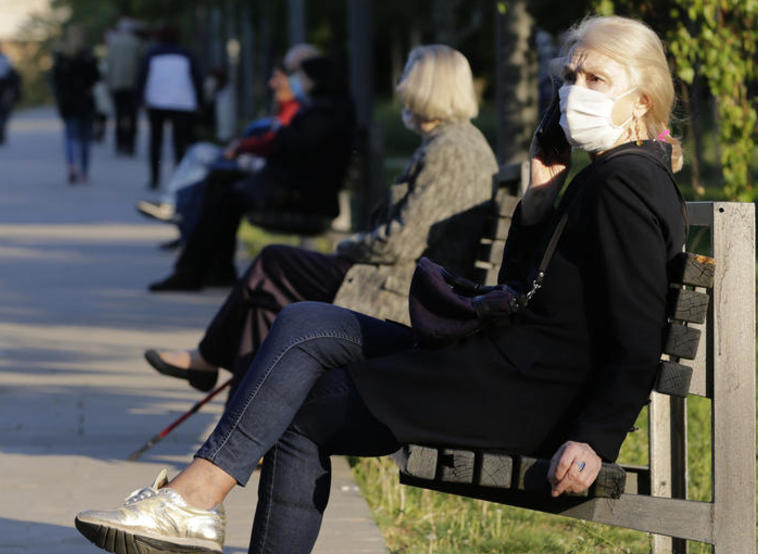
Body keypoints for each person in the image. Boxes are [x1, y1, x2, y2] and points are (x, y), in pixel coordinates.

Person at [75, 15, 687, 554]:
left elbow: (639, 330)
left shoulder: (626, 184)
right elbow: (523, 287)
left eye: (596, 77)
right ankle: (207, 527)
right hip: (502, 366)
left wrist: (596, 437)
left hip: (522, 394)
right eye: (570, 76)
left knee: (301, 408)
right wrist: (540, 193)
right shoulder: (608, 174)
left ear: (641, 99)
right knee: (306, 321)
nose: (575, 91)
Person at [143, 45, 497, 398]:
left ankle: (207, 360)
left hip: (400, 288)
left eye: (408, 78)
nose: (402, 87)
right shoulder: (451, 143)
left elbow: (399, 242)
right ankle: (248, 442)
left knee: (271, 263)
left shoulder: (450, 150)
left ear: (427, 86)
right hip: (406, 279)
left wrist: (346, 244)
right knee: (263, 306)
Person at [147, 55, 355, 292]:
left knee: (224, 193)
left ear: (318, 80)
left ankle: (191, 271)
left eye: (304, 77)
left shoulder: (324, 113)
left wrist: (278, 133)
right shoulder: (326, 109)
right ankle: (214, 270)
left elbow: (294, 145)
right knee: (220, 180)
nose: (300, 82)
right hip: (296, 187)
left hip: (301, 195)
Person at [135, 44, 320, 248]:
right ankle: (183, 223)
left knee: (209, 172)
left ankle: (180, 218)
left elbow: (276, 141)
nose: (273, 83)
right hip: (268, 165)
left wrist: (242, 147)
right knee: (201, 159)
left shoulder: (305, 110)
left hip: (273, 172)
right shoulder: (296, 107)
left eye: (288, 74)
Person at [138, 24, 204, 189]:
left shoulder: (152, 54)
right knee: (179, 142)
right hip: (182, 102)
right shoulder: (186, 54)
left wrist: (140, 99)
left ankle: (154, 178)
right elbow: (197, 79)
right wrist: (200, 101)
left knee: (155, 141)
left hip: (156, 101)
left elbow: (141, 78)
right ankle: (179, 177)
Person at [51, 26, 100, 184]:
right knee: (85, 138)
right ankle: (84, 171)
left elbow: (55, 81)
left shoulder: (61, 56)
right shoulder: (88, 55)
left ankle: (72, 166)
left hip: (68, 102)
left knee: (70, 137)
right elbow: (96, 77)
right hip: (85, 101)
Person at [105, 17, 143, 155]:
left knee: (119, 115)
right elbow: (140, 64)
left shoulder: (113, 43)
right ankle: (131, 145)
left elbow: (109, 65)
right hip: (132, 84)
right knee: (132, 117)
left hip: (117, 84)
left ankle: (120, 144)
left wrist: (109, 83)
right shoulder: (136, 43)